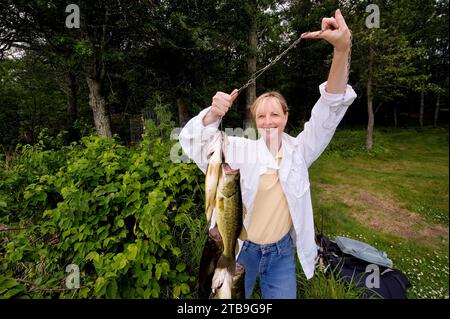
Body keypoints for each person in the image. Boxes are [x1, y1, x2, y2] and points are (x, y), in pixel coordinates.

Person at [179, 9, 357, 299]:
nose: (269, 121)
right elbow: (194, 143)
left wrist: (341, 49)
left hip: (281, 255)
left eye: (275, 114)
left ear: (286, 117)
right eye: (261, 116)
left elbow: (330, 109)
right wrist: (213, 113)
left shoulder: (301, 150)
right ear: (254, 121)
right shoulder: (240, 149)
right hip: (241, 249)